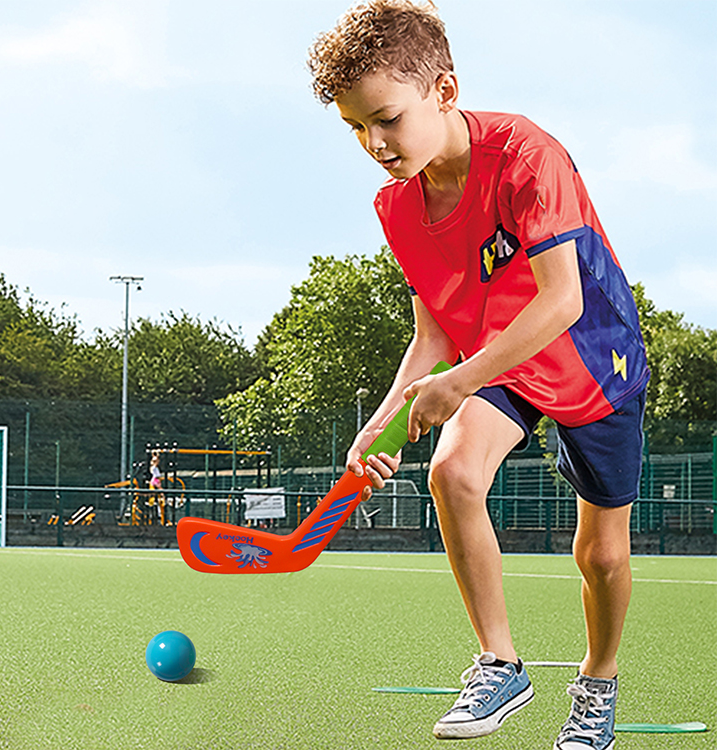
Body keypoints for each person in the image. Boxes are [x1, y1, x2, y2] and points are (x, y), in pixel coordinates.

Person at [307, 2, 649, 747]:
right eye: (356, 128)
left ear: (445, 91)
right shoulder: (395, 204)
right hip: (501, 358)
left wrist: (457, 382)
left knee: (601, 554)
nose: (374, 143)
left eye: (387, 119)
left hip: (593, 360)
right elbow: (433, 329)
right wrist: (383, 422)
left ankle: (598, 680)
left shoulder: (528, 156)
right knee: (453, 474)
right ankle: (501, 662)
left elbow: (560, 301)